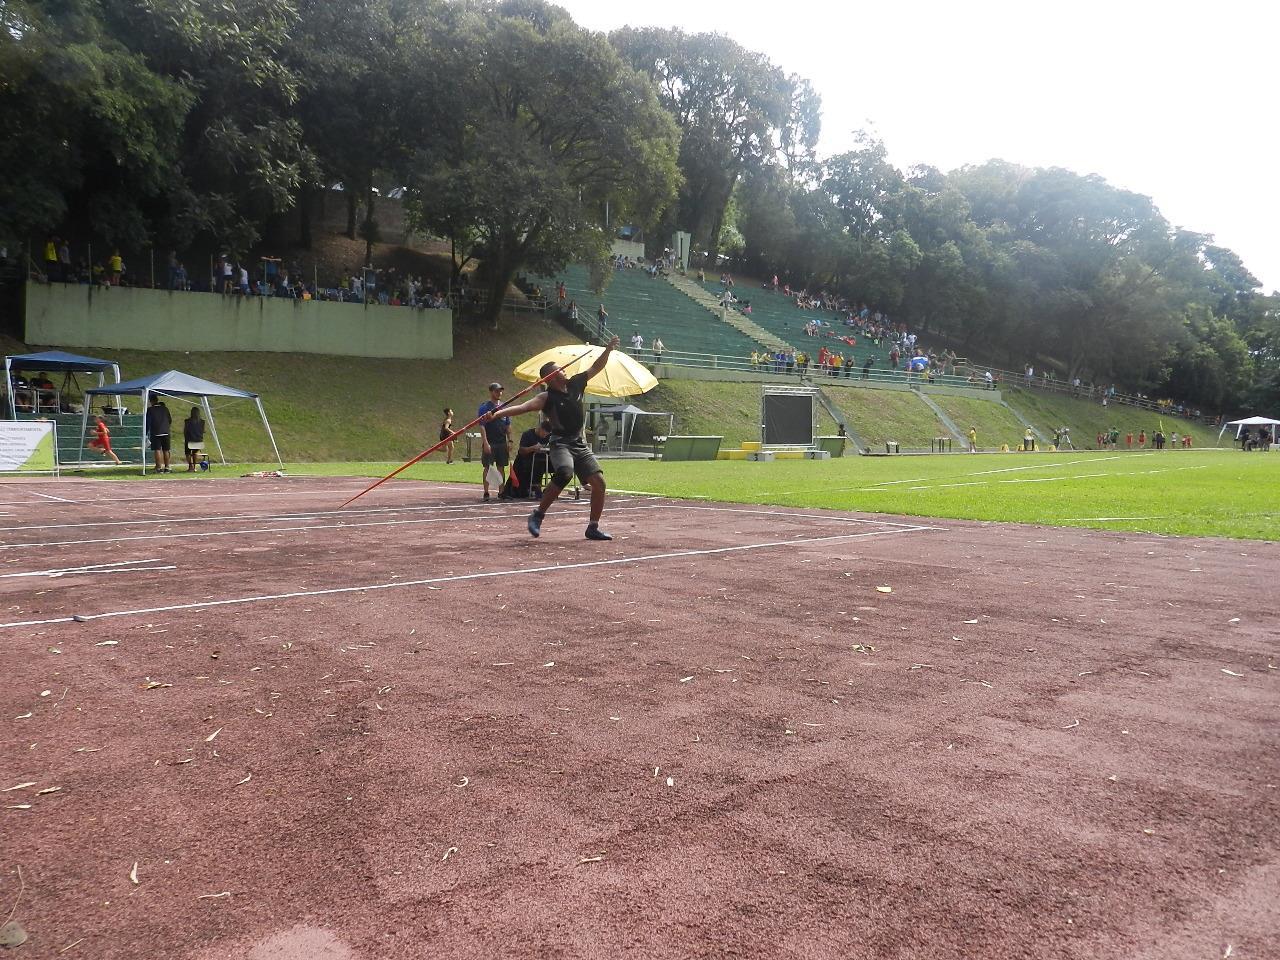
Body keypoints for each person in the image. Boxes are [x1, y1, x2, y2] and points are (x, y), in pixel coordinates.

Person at [489, 337, 620, 541]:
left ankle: (593, 527)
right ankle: (538, 515)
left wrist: (608, 350)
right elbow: (523, 408)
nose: (565, 370)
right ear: (550, 377)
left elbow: (597, 367)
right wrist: (497, 414)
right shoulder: (546, 398)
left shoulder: (576, 383)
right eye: (560, 369)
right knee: (565, 472)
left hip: (579, 443)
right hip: (561, 443)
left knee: (599, 483)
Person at [477, 382, 511, 501]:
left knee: (501, 467)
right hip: (490, 442)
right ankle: (486, 492)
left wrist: (509, 440)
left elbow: (508, 425)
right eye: (497, 391)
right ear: (491, 392)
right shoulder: (484, 407)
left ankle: (501, 492)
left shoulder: (504, 407)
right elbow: (481, 426)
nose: (499, 393)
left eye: (501, 391)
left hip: (502, 442)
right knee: (487, 467)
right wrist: (485, 442)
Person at [509, 418, 553, 500]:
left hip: (545, 460)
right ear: (540, 429)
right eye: (544, 434)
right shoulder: (527, 435)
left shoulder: (549, 437)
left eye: (547, 435)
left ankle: (550, 488)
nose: (545, 436)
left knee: (561, 467)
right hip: (528, 461)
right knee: (538, 464)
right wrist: (533, 448)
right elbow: (521, 450)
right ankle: (536, 488)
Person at [145, 394, 173, 473]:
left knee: (157, 450)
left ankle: (159, 467)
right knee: (166, 450)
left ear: (151, 401)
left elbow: (148, 422)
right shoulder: (165, 408)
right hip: (166, 432)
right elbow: (170, 420)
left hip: (156, 432)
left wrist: (146, 432)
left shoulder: (150, 410)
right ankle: (167, 467)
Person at [183, 407, 205, 472]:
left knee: (187, 453)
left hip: (190, 441)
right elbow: (203, 431)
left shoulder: (187, 421)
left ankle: (191, 466)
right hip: (199, 442)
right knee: (194, 452)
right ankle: (194, 466)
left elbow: (185, 431)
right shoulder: (202, 422)